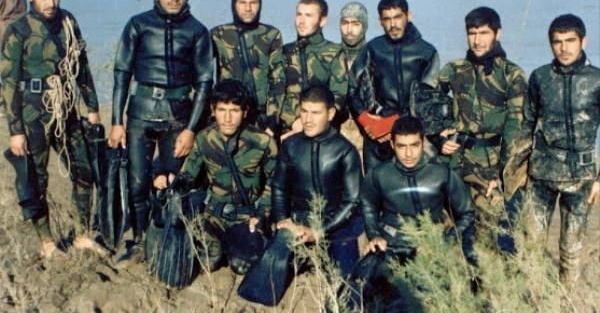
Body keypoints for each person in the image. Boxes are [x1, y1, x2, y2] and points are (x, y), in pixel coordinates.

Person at [108, 0, 213, 265]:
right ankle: (140, 240)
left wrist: (191, 129)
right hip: (140, 113)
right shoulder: (138, 25)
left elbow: (205, 83)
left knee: (172, 184)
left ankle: (165, 240)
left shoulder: (197, 31)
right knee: (137, 183)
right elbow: (122, 73)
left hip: (177, 116)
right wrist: (116, 122)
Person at [1, 0, 103, 258]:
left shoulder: (68, 22)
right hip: (32, 109)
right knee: (36, 179)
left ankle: (81, 235)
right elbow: (8, 83)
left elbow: (81, 66)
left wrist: (93, 107)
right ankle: (46, 242)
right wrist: (16, 131)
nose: (51, 3)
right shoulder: (18, 29)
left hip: (66, 108)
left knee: (84, 170)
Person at [156, 78, 277, 274]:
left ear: (245, 111)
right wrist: (172, 183)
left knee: (241, 266)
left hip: (247, 216)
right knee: (207, 263)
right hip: (214, 215)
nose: (227, 118)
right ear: (213, 110)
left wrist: (261, 215)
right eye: (222, 110)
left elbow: (276, 181)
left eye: (234, 110)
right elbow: (188, 175)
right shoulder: (203, 139)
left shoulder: (263, 142)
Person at [435, 7, 527, 254]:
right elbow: (426, 103)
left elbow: (514, 128)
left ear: (497, 33)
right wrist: (437, 138)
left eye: (484, 33)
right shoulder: (454, 69)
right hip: (455, 160)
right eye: (472, 33)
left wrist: (502, 176)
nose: (477, 40)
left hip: (490, 164)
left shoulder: (512, 74)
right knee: (449, 229)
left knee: (489, 233)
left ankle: (486, 276)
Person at [360, 116, 477, 307]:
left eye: (414, 145)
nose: (408, 154)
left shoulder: (442, 174)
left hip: (432, 248)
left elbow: (467, 213)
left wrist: (445, 242)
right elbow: (368, 205)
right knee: (370, 296)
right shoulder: (379, 175)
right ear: (392, 144)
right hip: (392, 247)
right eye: (401, 146)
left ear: (423, 142)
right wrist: (374, 235)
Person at [523, 14, 600, 290]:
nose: (564, 48)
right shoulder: (540, 77)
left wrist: (599, 180)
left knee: (571, 250)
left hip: (581, 178)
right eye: (557, 42)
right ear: (550, 44)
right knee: (531, 246)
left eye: (570, 40)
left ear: (583, 41)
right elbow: (526, 124)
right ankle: (530, 299)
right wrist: (518, 170)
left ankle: (565, 301)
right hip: (541, 173)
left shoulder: (596, 80)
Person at [273, 84, 363, 277]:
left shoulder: (345, 151)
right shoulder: (290, 145)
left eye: (315, 113)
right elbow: (279, 187)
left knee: (346, 283)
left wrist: (318, 231)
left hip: (335, 224)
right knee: (266, 273)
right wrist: (283, 219)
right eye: (304, 111)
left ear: (330, 113)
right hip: (297, 221)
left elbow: (352, 202)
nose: (307, 119)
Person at [350, 0, 440, 173]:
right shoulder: (372, 49)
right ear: (380, 21)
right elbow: (352, 89)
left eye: (398, 17)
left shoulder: (427, 52)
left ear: (409, 15)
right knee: (375, 185)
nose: (393, 24)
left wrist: (392, 124)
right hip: (377, 136)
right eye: (387, 19)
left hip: (413, 134)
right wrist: (368, 122)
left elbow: (428, 100)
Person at [211, 0, 285, 137]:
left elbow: (277, 79)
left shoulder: (271, 34)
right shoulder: (218, 34)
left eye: (253, 2)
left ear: (260, 4)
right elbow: (203, 76)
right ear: (234, 4)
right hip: (228, 115)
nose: (248, 8)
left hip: (261, 118)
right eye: (242, 2)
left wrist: (272, 120)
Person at [279, 0, 348, 140]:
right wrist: (293, 121)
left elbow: (339, 95)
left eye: (309, 15)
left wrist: (311, 121)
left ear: (323, 21)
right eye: (299, 14)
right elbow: (276, 93)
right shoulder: (283, 52)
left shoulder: (334, 52)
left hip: (324, 133)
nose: (301, 21)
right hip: (288, 132)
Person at [338, 2, 369, 152]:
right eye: (345, 23)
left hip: (366, 133)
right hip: (337, 133)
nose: (349, 30)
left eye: (356, 24)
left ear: (364, 26)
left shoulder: (374, 57)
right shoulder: (330, 56)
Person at [0, 0, 27, 117]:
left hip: (6, 29)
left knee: (6, 68)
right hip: (20, 29)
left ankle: (5, 105)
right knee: (15, 67)